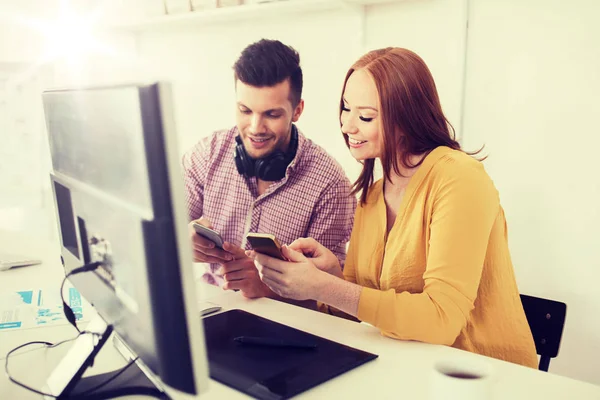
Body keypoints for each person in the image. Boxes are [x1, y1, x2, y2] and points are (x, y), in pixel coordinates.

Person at [248, 47, 538, 367]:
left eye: (366, 116)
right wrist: (332, 274)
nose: (347, 126)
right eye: (346, 109)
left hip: (483, 375)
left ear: (407, 117)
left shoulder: (459, 178)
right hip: (408, 369)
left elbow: (442, 318)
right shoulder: (372, 196)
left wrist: (326, 288)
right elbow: (366, 312)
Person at [182, 39, 356, 301]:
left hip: (285, 327)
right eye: (245, 110)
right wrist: (183, 240)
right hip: (211, 305)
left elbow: (330, 300)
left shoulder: (330, 184)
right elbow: (161, 235)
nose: (255, 127)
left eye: (271, 114)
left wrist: (263, 288)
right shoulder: (208, 153)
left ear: (297, 111)